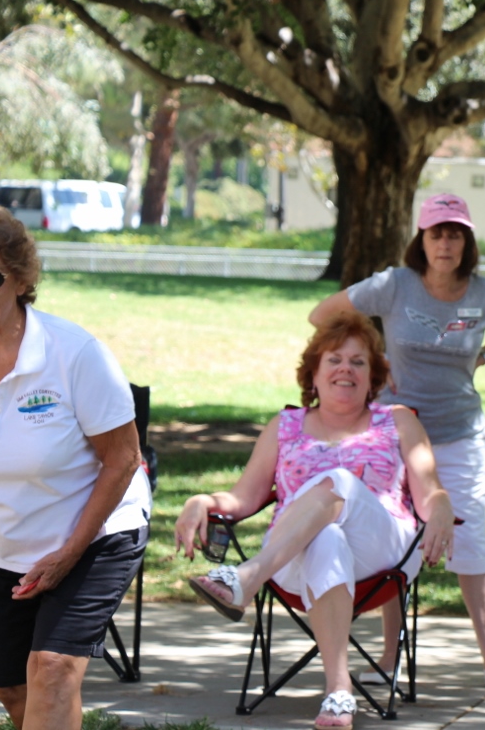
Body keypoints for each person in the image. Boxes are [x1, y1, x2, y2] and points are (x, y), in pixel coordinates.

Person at [177, 312, 454, 730]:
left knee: (339, 480)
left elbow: (429, 490)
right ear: (314, 372)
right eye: (335, 359)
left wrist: (444, 507)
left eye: (358, 361)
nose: (346, 368)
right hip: (293, 560)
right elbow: (242, 497)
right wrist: (202, 499)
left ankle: (246, 579)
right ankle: (339, 692)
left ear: (373, 375)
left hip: (383, 553)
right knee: (326, 539)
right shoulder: (284, 426)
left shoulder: (397, 421)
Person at [308, 193, 485, 688]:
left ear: (467, 242)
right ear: (422, 239)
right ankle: (390, 661)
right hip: (396, 432)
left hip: (459, 434)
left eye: (455, 234)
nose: (446, 243)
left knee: (471, 539)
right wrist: (370, 358)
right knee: (397, 544)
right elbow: (322, 314)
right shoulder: (395, 286)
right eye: (437, 233)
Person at [0, 206, 149, 730]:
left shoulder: (73, 353)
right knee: (15, 689)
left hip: (96, 533)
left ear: (19, 281)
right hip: (2, 546)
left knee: (53, 671)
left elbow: (123, 457)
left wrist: (69, 553)